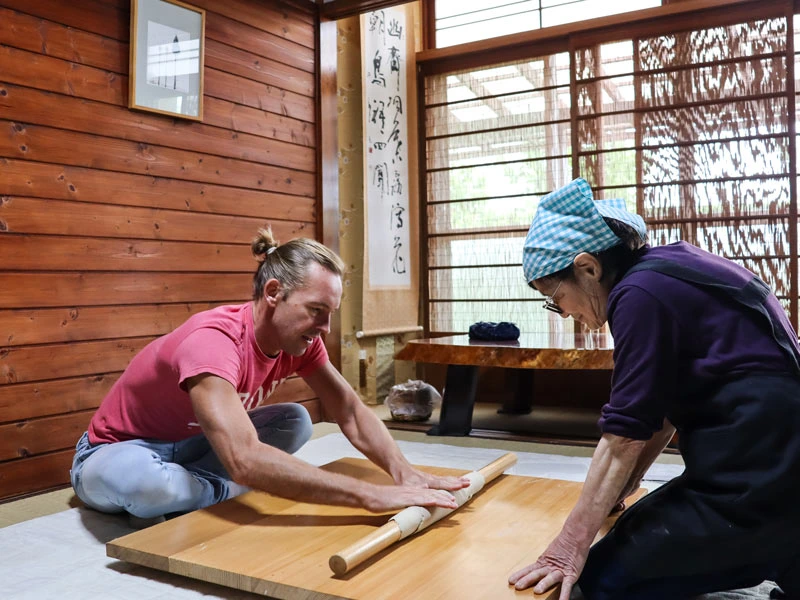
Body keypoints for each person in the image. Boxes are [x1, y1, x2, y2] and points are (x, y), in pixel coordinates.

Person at [508, 178, 800, 599]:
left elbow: (624, 433)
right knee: (630, 529)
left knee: (600, 581)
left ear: (588, 268)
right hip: (770, 463)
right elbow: (657, 417)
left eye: (555, 297)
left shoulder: (639, 294)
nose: (564, 312)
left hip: (757, 482)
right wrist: (620, 493)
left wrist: (567, 547)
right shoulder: (667, 267)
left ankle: (778, 546)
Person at [71, 227, 468, 528]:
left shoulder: (302, 341)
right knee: (150, 486)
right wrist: (370, 494)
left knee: (294, 421)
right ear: (274, 292)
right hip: (122, 450)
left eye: (330, 313)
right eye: (316, 310)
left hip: (195, 445)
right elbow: (243, 458)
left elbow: (347, 409)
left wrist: (403, 471)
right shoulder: (214, 341)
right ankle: (210, 491)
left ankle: (194, 490)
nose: (325, 327)